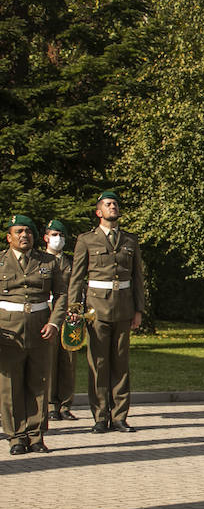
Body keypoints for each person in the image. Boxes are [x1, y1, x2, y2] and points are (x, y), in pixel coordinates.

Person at [69, 191, 147, 433]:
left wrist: (139, 309)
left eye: (115, 204)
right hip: (96, 309)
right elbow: (77, 276)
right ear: (98, 212)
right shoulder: (86, 240)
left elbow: (137, 278)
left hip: (124, 308)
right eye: (108, 204)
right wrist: (74, 308)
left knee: (121, 364)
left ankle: (120, 416)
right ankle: (101, 416)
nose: (113, 207)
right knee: (99, 364)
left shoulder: (130, 240)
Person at [0, 215, 66, 454]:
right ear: (9, 237)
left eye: (28, 231)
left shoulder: (47, 262)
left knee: (39, 383)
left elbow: (61, 294)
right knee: (10, 386)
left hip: (41, 327)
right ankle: (16, 437)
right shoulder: (1, 262)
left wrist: (54, 323)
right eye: (18, 231)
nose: (24, 235)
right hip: (9, 331)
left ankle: (36, 436)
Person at [43, 219, 77, 422]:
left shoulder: (69, 263)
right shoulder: (40, 261)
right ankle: (49, 405)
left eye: (62, 235)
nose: (58, 239)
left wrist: (76, 310)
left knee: (68, 362)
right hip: (47, 313)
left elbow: (77, 287)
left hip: (70, 314)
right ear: (46, 237)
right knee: (49, 360)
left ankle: (65, 405)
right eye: (54, 235)